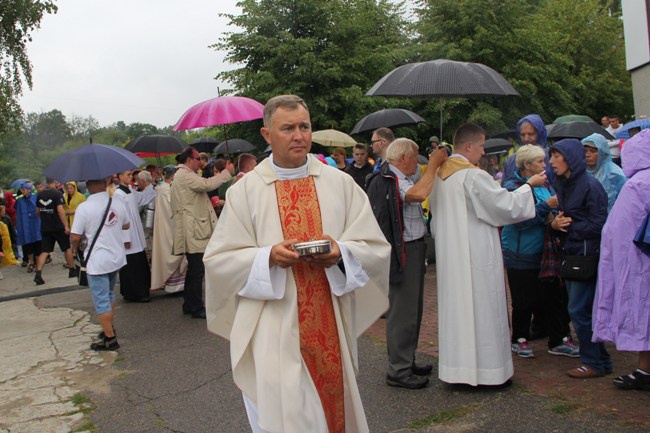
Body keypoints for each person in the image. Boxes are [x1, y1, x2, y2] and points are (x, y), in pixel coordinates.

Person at [203, 95, 390, 433]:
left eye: (304, 126)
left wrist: (340, 254)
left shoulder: (340, 183)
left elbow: (374, 247)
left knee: (330, 411)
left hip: (329, 318)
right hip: (273, 325)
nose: (298, 135)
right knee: (285, 417)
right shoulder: (245, 192)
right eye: (287, 128)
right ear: (266, 135)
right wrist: (267, 258)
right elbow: (220, 261)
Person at [430, 122, 545, 387]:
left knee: (458, 312)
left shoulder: (439, 175)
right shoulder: (473, 176)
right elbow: (505, 206)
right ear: (468, 146)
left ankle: (458, 371)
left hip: (451, 256)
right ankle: (488, 373)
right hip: (475, 254)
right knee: (482, 309)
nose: (483, 152)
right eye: (481, 146)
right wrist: (529, 185)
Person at [366, 138, 447, 389]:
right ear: (402, 157)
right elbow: (418, 195)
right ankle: (399, 369)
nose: (419, 161)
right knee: (403, 312)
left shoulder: (397, 176)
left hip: (411, 248)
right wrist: (433, 165)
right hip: (403, 251)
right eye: (415, 156)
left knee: (413, 310)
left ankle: (405, 361)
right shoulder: (389, 178)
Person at [501, 145, 577, 359]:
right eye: (540, 162)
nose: (545, 166)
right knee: (524, 300)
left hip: (545, 253)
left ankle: (559, 339)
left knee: (553, 297)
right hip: (521, 252)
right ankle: (520, 339)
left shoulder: (546, 183)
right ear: (527, 165)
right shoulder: (512, 186)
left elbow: (550, 211)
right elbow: (519, 220)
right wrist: (546, 207)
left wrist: (554, 220)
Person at [592, 129, 650, 390]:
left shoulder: (638, 184)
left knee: (643, 313)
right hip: (640, 259)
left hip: (638, 262)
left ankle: (644, 370)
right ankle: (644, 370)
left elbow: (618, 229)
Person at [549, 138, 611, 378]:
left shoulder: (590, 185)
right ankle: (599, 360)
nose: (552, 161)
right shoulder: (565, 184)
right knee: (582, 310)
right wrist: (556, 223)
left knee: (579, 310)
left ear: (570, 159)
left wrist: (569, 226)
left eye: (556, 156)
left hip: (585, 256)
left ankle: (593, 362)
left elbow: (599, 222)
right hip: (572, 252)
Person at [170, 147, 233, 319]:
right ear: (190, 159)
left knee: (194, 269)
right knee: (197, 270)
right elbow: (207, 184)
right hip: (194, 229)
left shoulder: (183, 174)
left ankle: (189, 304)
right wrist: (226, 173)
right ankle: (196, 306)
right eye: (198, 158)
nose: (200, 161)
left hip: (193, 227)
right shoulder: (185, 174)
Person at [71, 177, 130, 351]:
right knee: (109, 294)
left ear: (88, 186)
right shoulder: (117, 201)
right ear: (105, 184)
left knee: (101, 300)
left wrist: (75, 248)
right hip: (116, 256)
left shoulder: (84, 208)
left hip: (97, 260)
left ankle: (110, 338)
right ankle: (109, 328)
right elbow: (126, 225)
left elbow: (75, 236)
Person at [114, 169, 156, 302]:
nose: (131, 177)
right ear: (120, 177)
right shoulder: (118, 194)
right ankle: (134, 293)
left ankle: (142, 290)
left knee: (139, 262)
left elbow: (142, 198)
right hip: (128, 234)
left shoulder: (130, 190)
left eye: (131, 175)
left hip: (136, 231)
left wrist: (150, 186)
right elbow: (121, 218)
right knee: (131, 266)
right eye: (128, 175)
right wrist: (125, 238)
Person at [33, 177, 77, 285]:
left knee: (45, 250)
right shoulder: (57, 194)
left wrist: (43, 219)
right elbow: (60, 211)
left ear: (46, 183)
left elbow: (37, 211)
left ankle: (38, 273)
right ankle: (72, 270)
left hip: (45, 227)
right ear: (54, 182)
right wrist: (66, 226)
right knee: (66, 248)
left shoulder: (40, 195)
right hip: (58, 226)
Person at [151, 165, 186, 293]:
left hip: (165, 225)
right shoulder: (166, 191)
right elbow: (173, 209)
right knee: (173, 251)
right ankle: (175, 286)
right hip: (170, 226)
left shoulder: (161, 189)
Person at [581, 133, 627, 213]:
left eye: (593, 151)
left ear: (602, 152)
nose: (587, 155)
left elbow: (625, 201)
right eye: (585, 151)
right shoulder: (580, 171)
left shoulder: (615, 173)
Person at [502, 114, 550, 183]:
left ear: (540, 134)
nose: (526, 139)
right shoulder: (511, 161)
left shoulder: (551, 157)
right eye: (522, 135)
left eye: (530, 134)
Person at [15, 182, 41, 273]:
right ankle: (31, 262)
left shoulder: (35, 197)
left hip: (35, 224)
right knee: (28, 245)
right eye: (21, 189)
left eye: (24, 189)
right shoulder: (19, 201)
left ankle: (38, 264)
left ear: (29, 190)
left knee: (38, 244)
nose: (23, 191)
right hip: (25, 225)